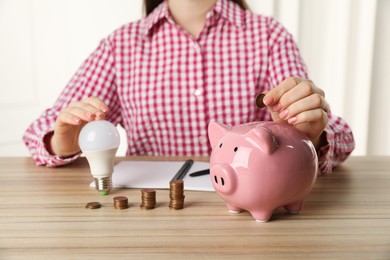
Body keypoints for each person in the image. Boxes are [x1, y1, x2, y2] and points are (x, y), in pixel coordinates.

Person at [23, 0, 355, 173]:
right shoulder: (120, 46)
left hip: (251, 216)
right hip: (152, 218)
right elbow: (40, 131)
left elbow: (341, 136)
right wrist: (64, 140)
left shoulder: (269, 37)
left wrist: (311, 134)